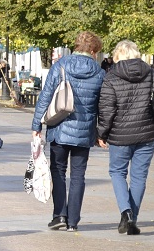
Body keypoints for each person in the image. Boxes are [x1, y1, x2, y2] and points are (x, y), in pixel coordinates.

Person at [97, 40, 154, 235]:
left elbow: (106, 110)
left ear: (117, 56)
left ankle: (126, 212)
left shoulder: (111, 76)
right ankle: (132, 219)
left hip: (120, 135)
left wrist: (101, 133)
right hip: (147, 133)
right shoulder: (150, 72)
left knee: (117, 172)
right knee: (139, 176)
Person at [31, 31, 105, 232]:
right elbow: (103, 106)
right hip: (85, 130)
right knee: (78, 175)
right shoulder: (99, 73)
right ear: (93, 50)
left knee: (58, 171)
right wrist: (101, 132)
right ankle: (73, 221)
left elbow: (46, 96)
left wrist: (36, 125)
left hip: (59, 127)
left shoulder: (60, 66)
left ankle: (59, 215)